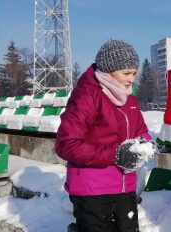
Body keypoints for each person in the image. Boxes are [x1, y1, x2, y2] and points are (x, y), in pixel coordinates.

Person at [55, 39, 151, 232]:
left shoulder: (130, 99)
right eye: (126, 73)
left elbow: (142, 133)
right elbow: (67, 144)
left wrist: (145, 146)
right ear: (108, 70)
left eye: (134, 73)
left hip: (124, 188)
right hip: (93, 189)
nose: (131, 79)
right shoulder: (87, 95)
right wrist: (115, 155)